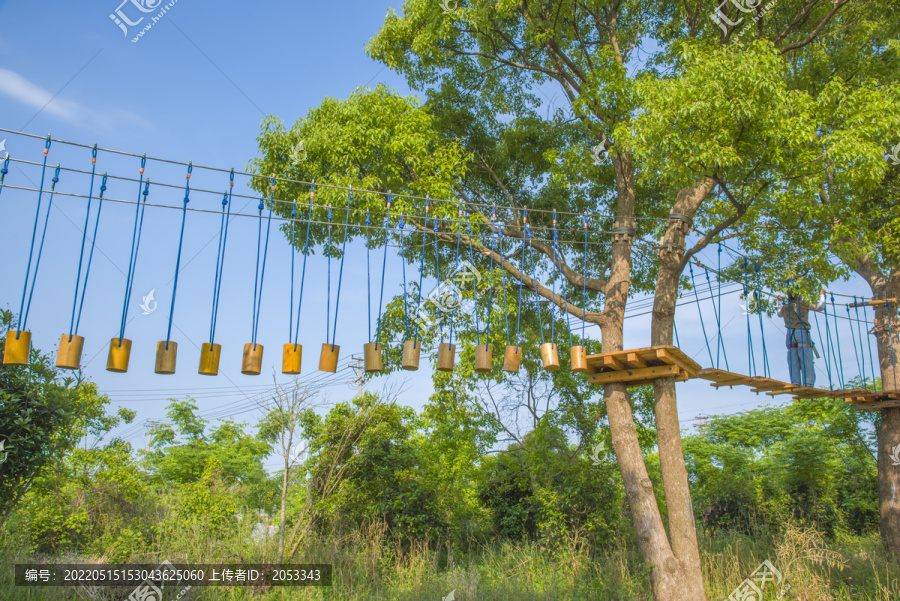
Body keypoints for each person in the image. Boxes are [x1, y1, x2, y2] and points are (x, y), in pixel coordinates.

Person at [776, 288, 826, 386]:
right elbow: (820, 307)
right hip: (801, 332)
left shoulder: (785, 307)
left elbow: (779, 313)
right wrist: (822, 295)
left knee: (792, 360)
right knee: (806, 358)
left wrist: (779, 302)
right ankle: (808, 383)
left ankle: (795, 382)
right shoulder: (804, 304)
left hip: (790, 334)